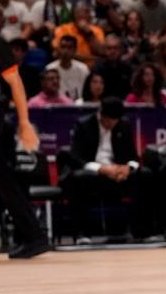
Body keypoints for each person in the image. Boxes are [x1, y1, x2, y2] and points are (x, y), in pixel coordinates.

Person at [60, 97, 157, 241]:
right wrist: (102, 169)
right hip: (93, 171)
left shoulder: (123, 125)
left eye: (115, 120)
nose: (112, 124)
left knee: (144, 174)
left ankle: (143, 232)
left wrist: (127, 168)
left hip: (118, 172)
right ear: (101, 114)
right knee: (80, 178)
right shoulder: (83, 125)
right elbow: (76, 158)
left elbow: (133, 157)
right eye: (109, 120)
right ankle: (82, 234)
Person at [0, 33, 49, 258]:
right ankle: (34, 236)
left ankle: (34, 235)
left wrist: (24, 122)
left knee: (1, 178)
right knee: (1, 178)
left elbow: (15, 82)